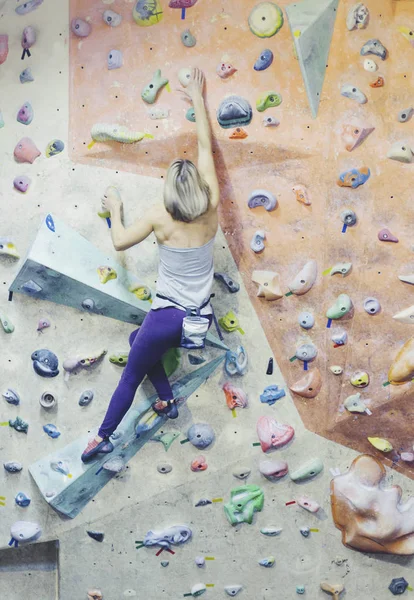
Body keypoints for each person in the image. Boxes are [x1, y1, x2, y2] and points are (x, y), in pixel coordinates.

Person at [82, 68, 219, 463]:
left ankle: (104, 436)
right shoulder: (210, 209)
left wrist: (115, 209)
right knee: (136, 344)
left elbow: (121, 240)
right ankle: (167, 400)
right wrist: (196, 94)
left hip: (168, 318)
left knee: (130, 373)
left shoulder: (161, 216)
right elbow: (207, 151)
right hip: (200, 320)